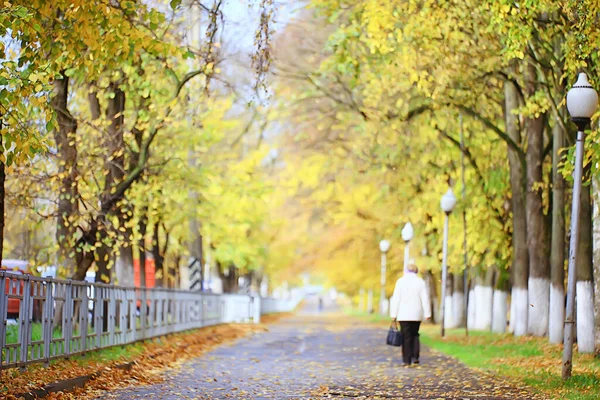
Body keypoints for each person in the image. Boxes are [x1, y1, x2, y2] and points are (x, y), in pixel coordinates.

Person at [389, 263, 431, 366]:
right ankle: (415, 357)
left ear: (406, 271)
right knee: (415, 334)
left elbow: (396, 299)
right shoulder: (420, 282)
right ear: (416, 271)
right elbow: (425, 298)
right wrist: (427, 313)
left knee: (406, 336)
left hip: (403, 314)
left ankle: (406, 360)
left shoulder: (400, 282)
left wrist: (393, 315)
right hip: (417, 314)